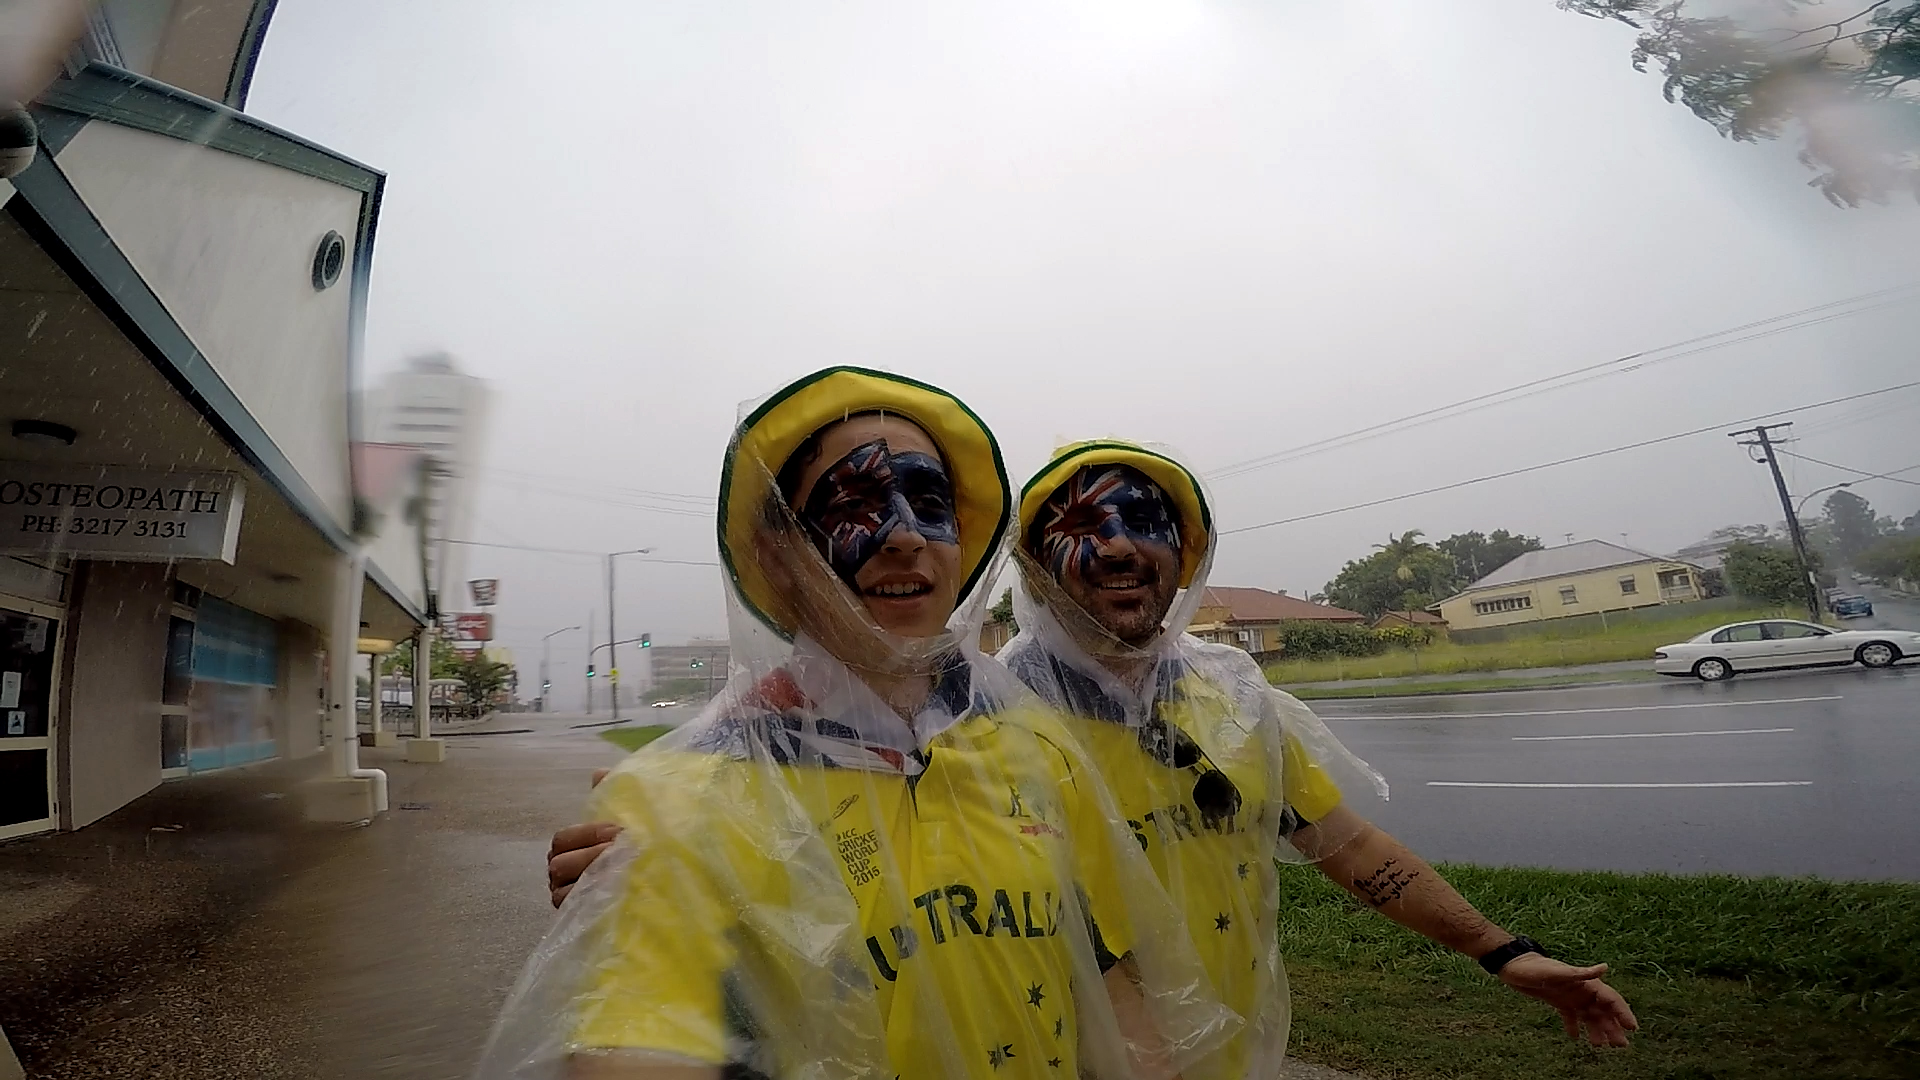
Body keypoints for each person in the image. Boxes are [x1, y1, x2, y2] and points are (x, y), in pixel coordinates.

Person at [487, 370, 1231, 1080]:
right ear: (777, 554)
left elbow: (1101, 979)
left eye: (928, 501)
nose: (904, 535)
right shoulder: (670, 807)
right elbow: (635, 1043)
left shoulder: (1037, 751)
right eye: (856, 502)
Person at [998, 439, 1638, 1058]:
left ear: (1184, 551)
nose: (1117, 544)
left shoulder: (1228, 697)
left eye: (1143, 520)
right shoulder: (992, 722)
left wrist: (1504, 952)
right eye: (1081, 525)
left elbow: (1347, 845)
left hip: (1234, 1050)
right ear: (1034, 565)